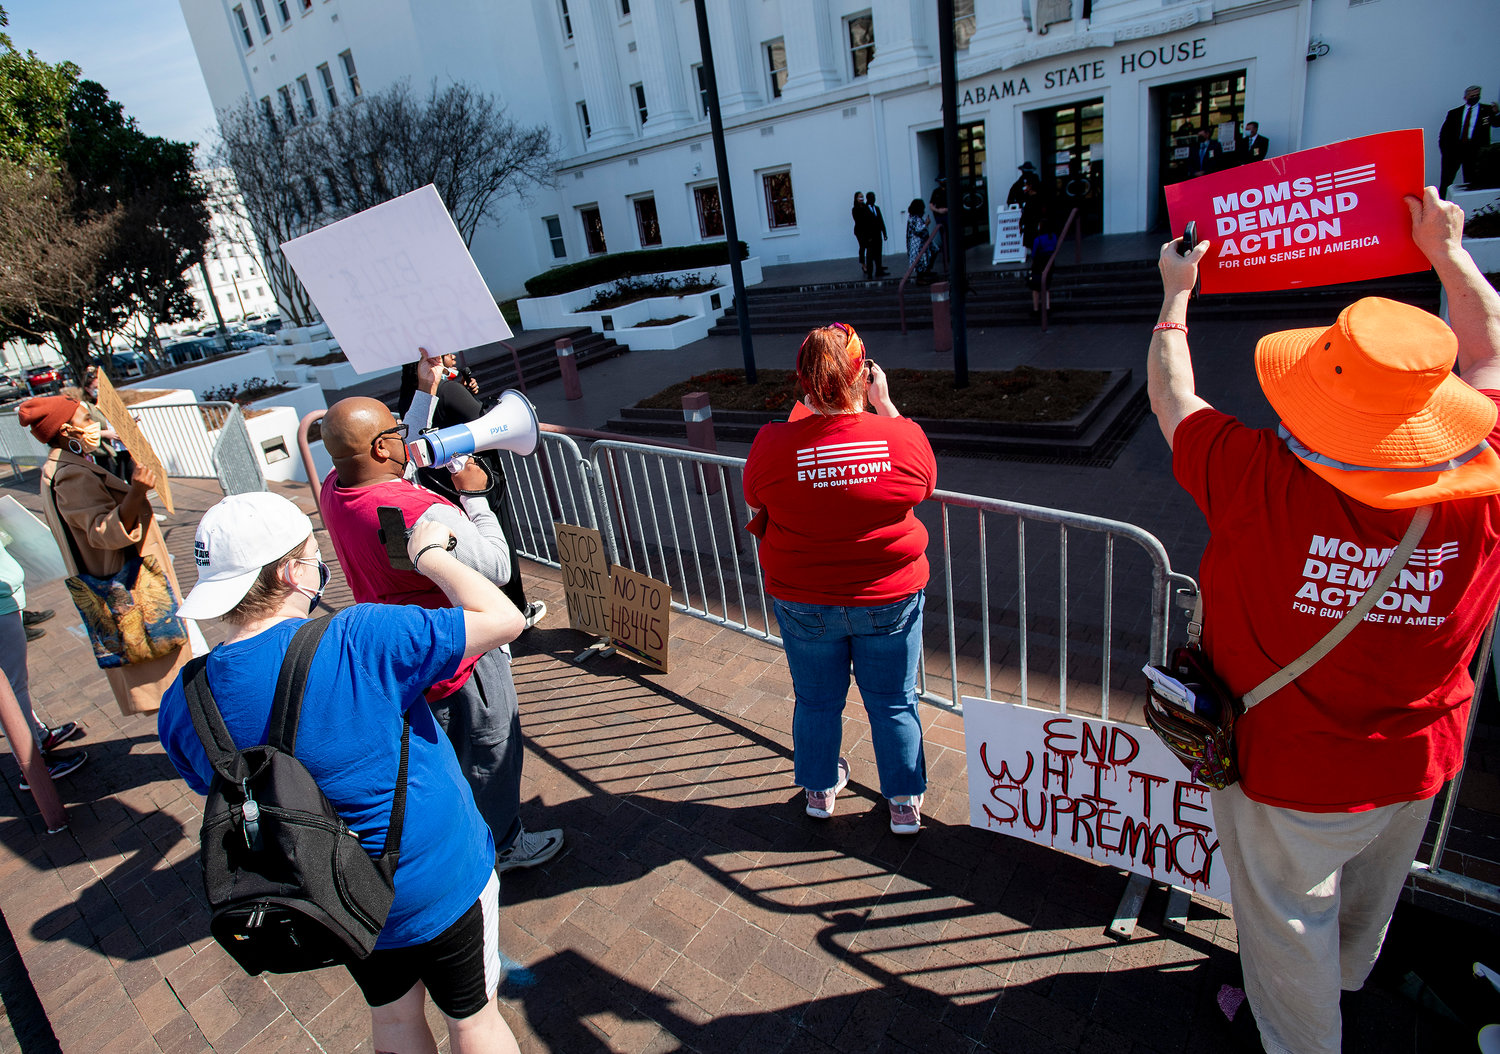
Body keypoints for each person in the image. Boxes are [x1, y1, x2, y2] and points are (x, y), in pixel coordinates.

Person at [1146, 186, 1500, 1054]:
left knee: (1283, 921)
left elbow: (1171, 398)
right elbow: (1490, 348)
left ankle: (1305, 1037)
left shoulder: (1257, 475)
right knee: (1367, 901)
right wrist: (1448, 253)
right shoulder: (1488, 472)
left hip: (1290, 770)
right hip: (1419, 760)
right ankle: (1346, 983)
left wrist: (1176, 294)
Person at [157, 491, 525, 1054]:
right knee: (473, 1020)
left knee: (395, 1019)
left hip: (336, 895)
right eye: (309, 556)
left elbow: (211, 781)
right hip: (438, 877)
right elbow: (504, 619)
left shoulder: (185, 700)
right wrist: (431, 556)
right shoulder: (358, 636)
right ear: (289, 572)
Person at [318, 352, 563, 874]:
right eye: (395, 431)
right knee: (491, 747)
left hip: (406, 654)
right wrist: (475, 499)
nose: (405, 437)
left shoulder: (335, 489)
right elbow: (496, 566)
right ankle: (501, 845)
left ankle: (465, 835)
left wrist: (425, 392)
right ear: (382, 446)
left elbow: (397, 458)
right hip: (462, 659)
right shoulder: (423, 512)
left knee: (448, 756)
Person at [743, 324, 937, 835]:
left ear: (804, 382)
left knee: (816, 699)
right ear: (863, 376)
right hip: (889, 596)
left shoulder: (773, 442)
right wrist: (886, 404)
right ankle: (902, 801)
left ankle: (819, 789)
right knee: (894, 700)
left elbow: (757, 496)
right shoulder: (898, 435)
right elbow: (925, 479)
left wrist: (808, 415)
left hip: (804, 600)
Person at [20, 394, 189, 716]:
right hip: (131, 590)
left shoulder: (68, 465)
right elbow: (103, 533)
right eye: (85, 419)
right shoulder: (71, 475)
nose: (94, 424)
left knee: (174, 692)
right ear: (66, 430)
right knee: (172, 693)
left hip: (128, 583)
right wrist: (137, 490)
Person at [396, 353, 546, 628]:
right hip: (474, 481)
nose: (453, 355)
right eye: (446, 351)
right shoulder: (448, 389)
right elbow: (485, 421)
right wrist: (470, 396)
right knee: (498, 543)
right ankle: (517, 610)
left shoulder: (412, 390)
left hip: (441, 484)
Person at [0, 535, 86, 786]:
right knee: (12, 688)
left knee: (17, 683)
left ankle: (37, 736)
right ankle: (33, 765)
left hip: (6, 601)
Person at [1439, 84, 1496, 198]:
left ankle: (1468, 210)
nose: (1474, 98)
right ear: (1465, 97)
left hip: (1474, 152)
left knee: (1471, 182)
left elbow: (1496, 123)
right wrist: (1445, 151)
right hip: (1455, 151)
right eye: (1472, 96)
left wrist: (1496, 113)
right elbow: (1444, 134)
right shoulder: (1454, 113)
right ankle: (1439, 206)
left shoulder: (1487, 110)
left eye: (1477, 95)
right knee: (1446, 181)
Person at [905, 198, 935, 280]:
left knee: (932, 252)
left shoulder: (915, 217)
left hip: (921, 242)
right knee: (919, 259)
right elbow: (918, 230)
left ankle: (926, 271)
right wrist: (926, 224)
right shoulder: (914, 218)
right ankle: (920, 278)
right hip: (916, 243)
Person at [863, 191, 889, 277]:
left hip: (878, 235)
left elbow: (881, 221)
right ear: (868, 198)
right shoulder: (864, 209)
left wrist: (884, 232)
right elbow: (864, 224)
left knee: (878, 254)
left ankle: (879, 270)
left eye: (874, 198)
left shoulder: (876, 208)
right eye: (872, 198)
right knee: (870, 255)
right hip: (870, 237)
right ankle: (870, 272)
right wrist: (867, 237)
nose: (873, 199)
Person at [851, 192, 875, 278]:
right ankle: (863, 264)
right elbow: (858, 220)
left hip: (867, 231)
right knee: (862, 246)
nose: (862, 198)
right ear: (856, 198)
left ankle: (868, 264)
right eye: (860, 197)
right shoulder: (855, 209)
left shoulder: (865, 207)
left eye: (862, 197)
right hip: (860, 231)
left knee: (868, 247)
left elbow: (870, 216)